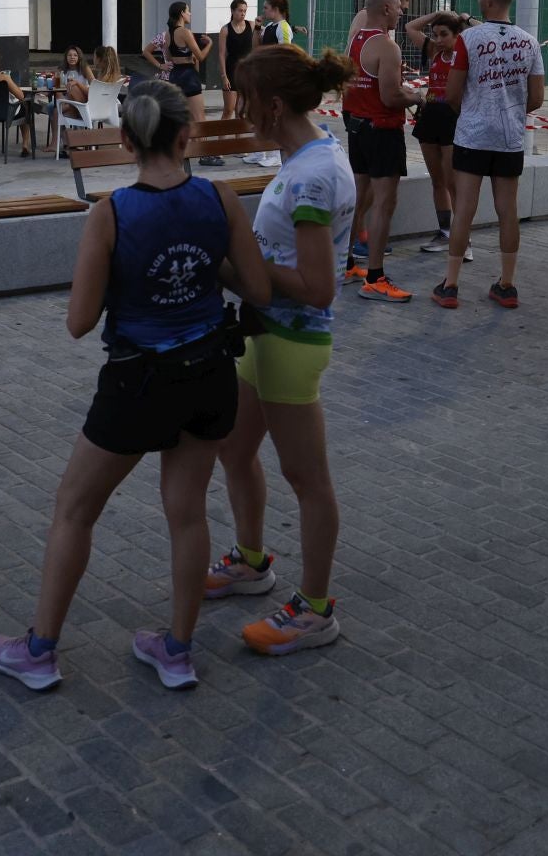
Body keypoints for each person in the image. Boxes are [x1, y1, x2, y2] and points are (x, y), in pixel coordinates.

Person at [0, 81, 267, 691]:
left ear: (125, 141)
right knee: (187, 514)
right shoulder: (220, 199)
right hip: (210, 371)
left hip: (138, 380)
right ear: (186, 134)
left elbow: (79, 322)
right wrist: (198, 263)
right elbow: (260, 290)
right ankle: (177, 650)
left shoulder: (110, 214)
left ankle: (39, 650)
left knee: (74, 509)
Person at [204, 43, 358, 655]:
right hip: (263, 334)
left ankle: (315, 610)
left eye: (243, 99)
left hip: (292, 342)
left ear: (271, 105)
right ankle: (250, 561)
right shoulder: (306, 159)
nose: (238, 110)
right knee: (234, 450)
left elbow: (319, 285)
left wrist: (233, 266)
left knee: (307, 478)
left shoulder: (315, 174)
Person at [436, 0, 544, 309]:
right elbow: (537, 98)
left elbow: (452, 94)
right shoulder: (530, 42)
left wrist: (473, 109)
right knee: (507, 210)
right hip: (509, 138)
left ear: (488, 0)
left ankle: (451, 285)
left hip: (473, 135)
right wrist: (509, 111)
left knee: (465, 208)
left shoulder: (468, 38)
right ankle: (507, 284)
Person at [342, 0, 417, 302]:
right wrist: (418, 98)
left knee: (359, 198)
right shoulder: (387, 47)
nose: (402, 12)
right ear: (386, 8)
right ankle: (375, 277)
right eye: (399, 6)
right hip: (382, 131)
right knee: (384, 204)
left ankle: (345, 263)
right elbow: (390, 96)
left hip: (357, 128)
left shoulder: (356, 41)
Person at [406, 7, 471, 260]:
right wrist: (435, 15)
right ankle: (445, 232)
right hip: (430, 116)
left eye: (444, 34)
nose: (439, 39)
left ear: (458, 35)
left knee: (454, 182)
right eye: (436, 34)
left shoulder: (466, 53)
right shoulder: (434, 52)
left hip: (453, 118)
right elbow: (410, 27)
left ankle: (463, 239)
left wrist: (465, 20)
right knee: (438, 181)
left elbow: (482, 33)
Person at [243, 0, 294, 166]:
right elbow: (256, 48)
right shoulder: (270, 27)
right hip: (264, 77)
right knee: (261, 114)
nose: (263, 11)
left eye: (266, 8)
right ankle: (261, 152)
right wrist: (257, 28)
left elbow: (286, 54)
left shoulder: (283, 28)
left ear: (276, 9)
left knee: (274, 116)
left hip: (275, 79)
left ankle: (275, 154)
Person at [162, 2, 214, 140]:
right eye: (188, 11)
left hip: (175, 76)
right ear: (181, 13)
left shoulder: (167, 33)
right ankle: (205, 153)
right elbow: (200, 56)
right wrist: (210, 44)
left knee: (185, 118)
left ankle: (191, 150)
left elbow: (168, 57)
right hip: (188, 76)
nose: (190, 14)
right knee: (199, 117)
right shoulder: (185, 32)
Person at [217, 0, 254, 121]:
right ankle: (221, 139)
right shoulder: (225, 30)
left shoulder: (251, 25)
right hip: (231, 69)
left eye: (245, 11)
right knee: (229, 110)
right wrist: (224, 76)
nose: (243, 13)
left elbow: (271, 28)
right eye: (240, 10)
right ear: (232, 11)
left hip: (246, 72)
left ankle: (238, 140)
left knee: (241, 111)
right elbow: (221, 54)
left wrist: (294, 28)